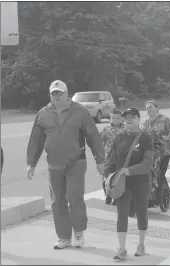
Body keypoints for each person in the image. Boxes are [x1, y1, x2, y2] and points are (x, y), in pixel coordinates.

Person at [26, 80, 105, 249]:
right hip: (54, 164)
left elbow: (93, 136)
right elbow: (36, 141)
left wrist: (100, 160)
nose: (56, 96)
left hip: (75, 162)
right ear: (50, 95)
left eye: (59, 93)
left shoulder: (80, 112)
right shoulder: (43, 113)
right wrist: (31, 163)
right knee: (57, 201)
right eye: (54, 93)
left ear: (66, 93)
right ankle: (63, 237)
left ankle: (78, 231)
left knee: (75, 198)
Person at [104, 108, 154, 260]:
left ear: (138, 118)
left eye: (132, 117)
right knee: (122, 214)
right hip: (122, 183)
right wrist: (106, 176)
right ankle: (121, 248)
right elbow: (111, 159)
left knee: (141, 212)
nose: (129, 120)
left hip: (141, 181)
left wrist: (130, 170)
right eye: (126, 118)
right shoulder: (119, 136)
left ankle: (141, 244)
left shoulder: (145, 137)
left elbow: (148, 164)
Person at [100, 109, 124, 205]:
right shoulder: (106, 129)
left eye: (117, 118)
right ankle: (108, 195)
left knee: (118, 178)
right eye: (113, 117)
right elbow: (100, 142)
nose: (115, 120)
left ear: (121, 118)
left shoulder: (125, 128)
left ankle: (116, 197)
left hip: (121, 158)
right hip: (109, 157)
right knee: (106, 177)